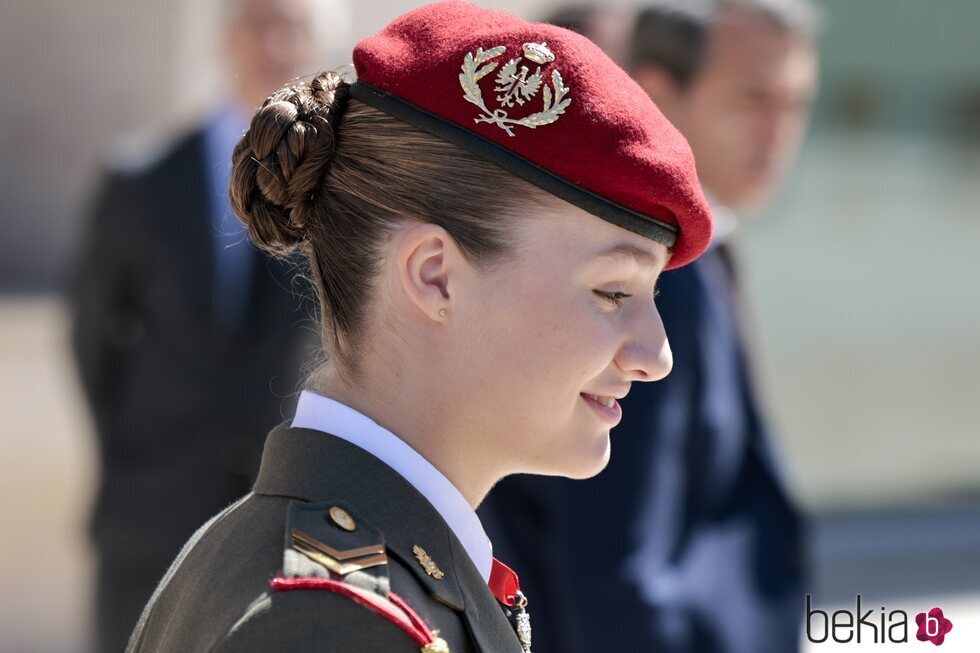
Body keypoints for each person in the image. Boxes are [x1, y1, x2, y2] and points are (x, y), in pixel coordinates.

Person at [124, 2, 714, 651]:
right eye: (612, 291)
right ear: (434, 275)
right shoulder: (334, 624)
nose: (656, 354)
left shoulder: (324, 566)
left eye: (651, 294)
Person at [479, 1, 820, 652]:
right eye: (754, 97)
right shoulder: (645, 276)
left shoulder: (696, 256)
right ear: (659, 91)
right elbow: (616, 571)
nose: (779, 131)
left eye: (797, 102)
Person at [69, 0, 337, 649]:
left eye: (292, 27)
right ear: (226, 38)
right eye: (258, 23)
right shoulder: (143, 180)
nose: (274, 44)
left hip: (286, 525)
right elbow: (92, 339)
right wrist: (135, 451)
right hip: (151, 514)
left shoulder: (340, 199)